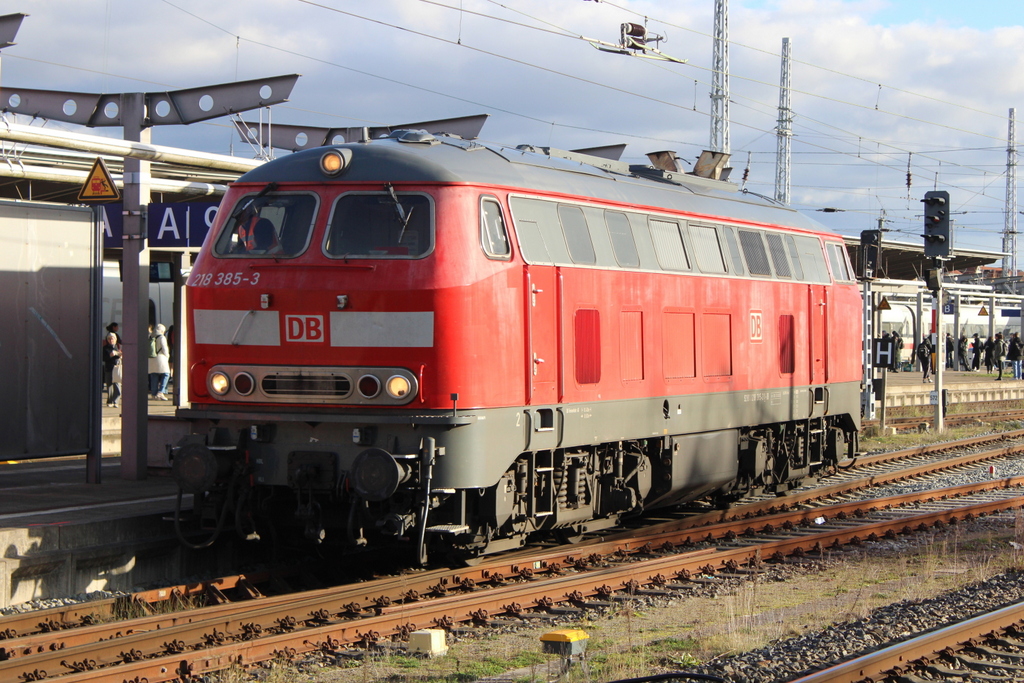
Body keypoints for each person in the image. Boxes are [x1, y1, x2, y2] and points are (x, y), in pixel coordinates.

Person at [148, 323, 171, 400]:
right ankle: (161, 392)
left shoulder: (151, 336)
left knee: (154, 375)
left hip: (151, 358)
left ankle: (154, 393)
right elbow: (164, 349)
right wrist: (167, 356)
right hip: (161, 358)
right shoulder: (162, 337)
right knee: (166, 374)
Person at [102, 332, 122, 407]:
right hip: (109, 368)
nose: (111, 340)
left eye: (112, 338)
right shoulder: (105, 348)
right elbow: (103, 358)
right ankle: (110, 401)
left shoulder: (118, 347)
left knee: (117, 384)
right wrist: (110, 355)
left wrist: (120, 355)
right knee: (109, 385)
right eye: (109, 339)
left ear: (115, 339)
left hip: (117, 367)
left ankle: (116, 401)